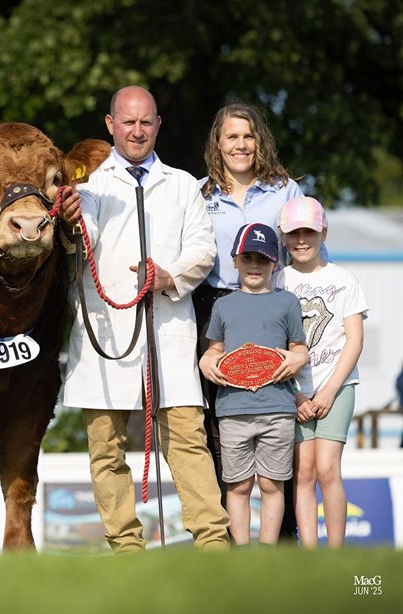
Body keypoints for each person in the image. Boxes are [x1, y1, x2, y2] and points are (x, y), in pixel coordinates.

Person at [58, 85, 229, 552]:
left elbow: (203, 248)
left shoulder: (183, 184)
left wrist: (167, 275)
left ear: (158, 125)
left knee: (188, 442)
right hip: (106, 333)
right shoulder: (88, 188)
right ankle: (126, 548)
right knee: (105, 448)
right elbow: (82, 234)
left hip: (169, 330)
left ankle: (214, 544)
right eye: (128, 122)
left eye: (146, 122)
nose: (137, 131)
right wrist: (71, 221)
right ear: (110, 125)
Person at [194, 102, 306, 540]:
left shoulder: (286, 191)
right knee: (220, 427)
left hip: (273, 308)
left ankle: (282, 538)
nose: (240, 145)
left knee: (282, 420)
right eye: (231, 136)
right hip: (214, 307)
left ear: (259, 141)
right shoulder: (199, 193)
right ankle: (228, 542)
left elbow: (306, 256)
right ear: (217, 143)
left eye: (248, 136)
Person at [199, 223, 308, 546]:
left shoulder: (287, 302)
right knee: (238, 484)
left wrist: (296, 359)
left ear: (275, 262)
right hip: (233, 409)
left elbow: (299, 347)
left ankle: (268, 549)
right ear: (235, 260)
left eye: (263, 259)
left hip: (277, 408)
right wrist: (207, 361)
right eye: (248, 258)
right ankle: (242, 550)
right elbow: (215, 349)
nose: (255, 265)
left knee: (273, 484)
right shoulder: (223, 305)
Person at [276, 197, 367, 548]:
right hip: (291, 390)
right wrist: (295, 392)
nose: (302, 240)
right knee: (304, 473)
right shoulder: (277, 281)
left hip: (338, 386)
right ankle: (310, 555)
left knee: (328, 469)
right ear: (283, 236)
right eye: (294, 233)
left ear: (323, 232)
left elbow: (354, 341)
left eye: (309, 232)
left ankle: (335, 555)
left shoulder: (344, 280)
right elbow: (271, 342)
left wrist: (328, 391)